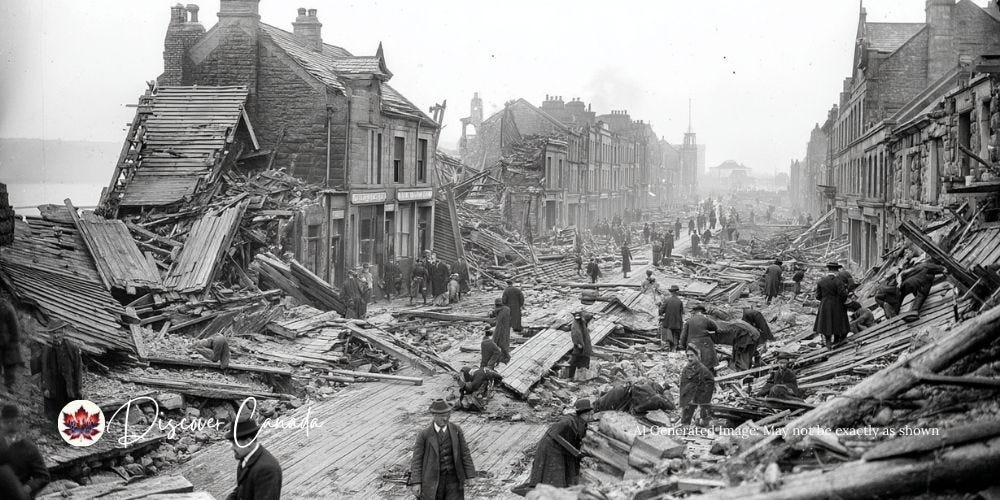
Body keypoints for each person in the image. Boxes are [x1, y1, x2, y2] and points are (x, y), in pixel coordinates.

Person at [513, 399, 594, 495]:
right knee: (552, 470)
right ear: (581, 414)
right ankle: (538, 491)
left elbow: (578, 439)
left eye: (591, 414)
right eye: (587, 415)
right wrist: (575, 452)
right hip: (551, 445)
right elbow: (554, 433)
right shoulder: (567, 421)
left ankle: (559, 489)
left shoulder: (582, 423)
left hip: (562, 447)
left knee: (567, 470)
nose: (590, 417)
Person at [409, 399, 476, 500]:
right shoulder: (424, 435)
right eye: (441, 416)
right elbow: (417, 460)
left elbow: (465, 453)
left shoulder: (456, 430)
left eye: (447, 415)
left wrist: (470, 475)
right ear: (434, 415)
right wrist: (416, 482)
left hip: (454, 480)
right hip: (433, 482)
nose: (445, 419)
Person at [226, 412, 282, 500]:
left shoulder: (267, 469)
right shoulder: (246, 456)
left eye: (234, 443)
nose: (231, 447)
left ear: (248, 442)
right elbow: (241, 490)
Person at [0, 404, 50, 500]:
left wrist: (27, 488)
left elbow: (43, 476)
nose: (8, 425)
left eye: (12, 422)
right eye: (5, 422)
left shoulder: (29, 448)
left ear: (18, 423)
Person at [40, 335, 83, 422]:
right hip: (55, 386)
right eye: (54, 333)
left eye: (58, 332)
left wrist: (79, 388)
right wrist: (46, 387)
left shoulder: (72, 349)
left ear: (63, 333)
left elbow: (78, 370)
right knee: (55, 413)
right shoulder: (48, 349)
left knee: (72, 412)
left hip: (69, 386)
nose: (56, 336)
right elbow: (45, 369)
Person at [814, 262, 850, 349]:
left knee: (826, 323)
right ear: (836, 271)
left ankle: (828, 343)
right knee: (837, 322)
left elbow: (818, 296)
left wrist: (825, 300)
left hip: (825, 305)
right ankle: (837, 341)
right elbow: (843, 295)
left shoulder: (821, 281)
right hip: (837, 304)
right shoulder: (839, 281)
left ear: (829, 270)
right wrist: (841, 301)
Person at [679, 347, 715, 426]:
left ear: (697, 356)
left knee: (703, 418)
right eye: (688, 356)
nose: (689, 358)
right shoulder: (686, 369)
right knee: (685, 419)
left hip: (697, 396)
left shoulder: (702, 369)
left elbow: (710, 382)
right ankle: (685, 425)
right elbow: (683, 384)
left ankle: (703, 421)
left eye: (692, 355)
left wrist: (702, 394)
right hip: (688, 397)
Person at [594, 380, 674, 414]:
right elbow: (671, 406)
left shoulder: (647, 385)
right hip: (625, 397)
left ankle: (596, 406)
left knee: (599, 405)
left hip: (625, 392)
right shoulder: (655, 394)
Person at [680, 304, 719, 374]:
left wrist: (682, 345)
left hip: (692, 344)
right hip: (705, 344)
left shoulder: (689, 321)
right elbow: (715, 327)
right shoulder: (706, 319)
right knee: (708, 364)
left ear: (695, 312)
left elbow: (684, 335)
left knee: (694, 363)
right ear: (702, 312)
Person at [0, 295, 23, 393]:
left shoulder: (6, 307)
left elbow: (15, 327)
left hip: (8, 342)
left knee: (9, 365)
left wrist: (14, 341)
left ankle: (9, 386)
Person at [567, 311, 592, 379]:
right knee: (575, 359)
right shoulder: (575, 325)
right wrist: (578, 343)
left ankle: (583, 376)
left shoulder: (582, 322)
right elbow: (575, 334)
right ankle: (571, 376)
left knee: (584, 358)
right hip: (579, 344)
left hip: (585, 343)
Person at [659, 285, 684, 350]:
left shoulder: (667, 300)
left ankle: (668, 346)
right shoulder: (679, 301)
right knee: (675, 335)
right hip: (677, 322)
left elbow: (661, 310)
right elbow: (682, 312)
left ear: (671, 292)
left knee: (668, 333)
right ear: (677, 292)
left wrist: (661, 314)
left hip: (668, 321)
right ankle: (674, 348)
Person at [490, 299, 512, 364]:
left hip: (499, 328)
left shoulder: (498, 310)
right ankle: (504, 356)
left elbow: (492, 315)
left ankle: (504, 357)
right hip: (507, 327)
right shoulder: (507, 309)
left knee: (497, 342)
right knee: (505, 341)